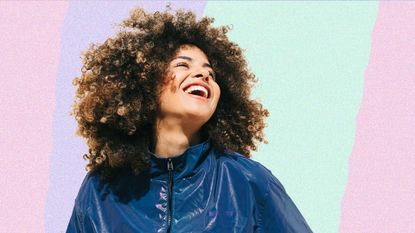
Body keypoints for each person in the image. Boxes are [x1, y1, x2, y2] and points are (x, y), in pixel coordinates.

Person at [66, 7, 312, 233]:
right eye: (182, 65)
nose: (203, 73)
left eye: (211, 73)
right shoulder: (100, 190)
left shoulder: (247, 181)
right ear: (144, 82)